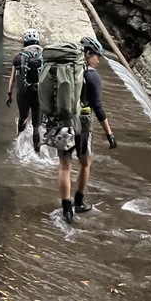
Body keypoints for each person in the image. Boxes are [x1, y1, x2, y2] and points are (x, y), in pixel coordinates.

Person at [57, 35, 117, 224]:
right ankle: (79, 203)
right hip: (82, 124)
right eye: (96, 55)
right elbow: (98, 107)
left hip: (62, 121)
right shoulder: (92, 76)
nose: (98, 60)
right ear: (88, 53)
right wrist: (109, 134)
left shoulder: (63, 70)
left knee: (64, 166)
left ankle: (66, 209)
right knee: (85, 163)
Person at [7, 28, 44, 154]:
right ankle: (37, 153)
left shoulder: (18, 58)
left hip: (23, 93)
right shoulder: (43, 57)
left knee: (23, 116)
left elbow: (12, 79)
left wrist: (9, 94)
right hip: (38, 94)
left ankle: (19, 144)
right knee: (36, 125)